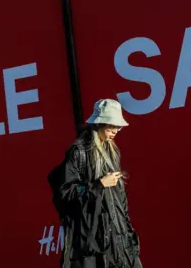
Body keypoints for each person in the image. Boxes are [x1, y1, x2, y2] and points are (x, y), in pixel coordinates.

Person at [58, 99, 142, 268]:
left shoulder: (112, 150)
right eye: (113, 125)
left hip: (120, 237)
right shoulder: (79, 151)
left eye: (119, 126)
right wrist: (99, 185)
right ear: (100, 124)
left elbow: (120, 197)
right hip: (97, 242)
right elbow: (66, 193)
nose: (117, 130)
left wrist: (127, 228)